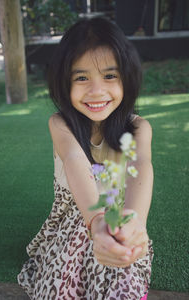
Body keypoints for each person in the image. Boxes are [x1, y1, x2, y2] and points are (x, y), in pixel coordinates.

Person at [18, 17, 154, 300]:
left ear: (126, 78)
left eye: (109, 76)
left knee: (120, 254)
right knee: (64, 281)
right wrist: (96, 222)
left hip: (118, 218)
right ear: (63, 82)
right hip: (74, 218)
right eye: (81, 77)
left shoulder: (138, 128)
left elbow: (141, 165)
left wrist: (136, 223)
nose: (96, 91)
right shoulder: (60, 124)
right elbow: (74, 160)